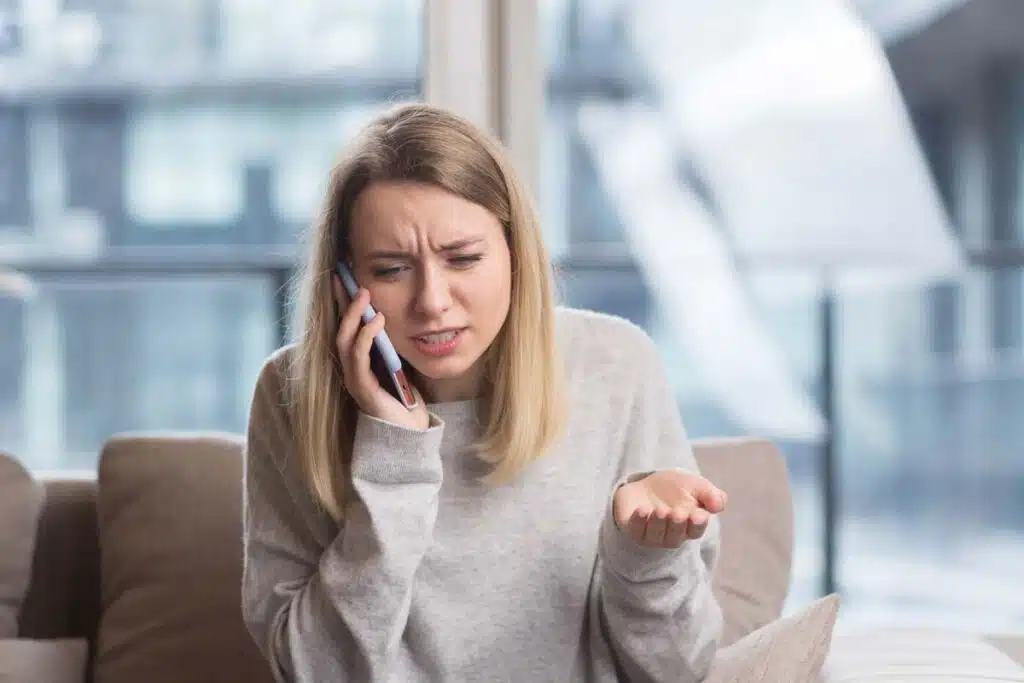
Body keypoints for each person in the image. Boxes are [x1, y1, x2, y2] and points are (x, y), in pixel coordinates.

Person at [241, 102, 728, 683]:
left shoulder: (615, 364)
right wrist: (395, 457)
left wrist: (648, 557)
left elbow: (679, 670)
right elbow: (314, 672)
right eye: (392, 269)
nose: (432, 301)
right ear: (347, 281)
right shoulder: (290, 393)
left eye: (464, 259)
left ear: (515, 254)